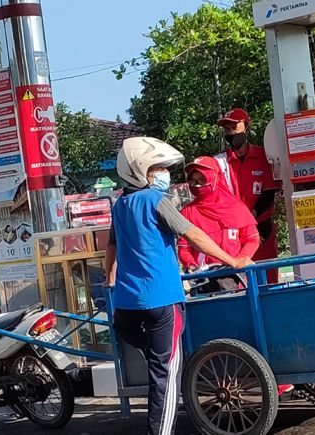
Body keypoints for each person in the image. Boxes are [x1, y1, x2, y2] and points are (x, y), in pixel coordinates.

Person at [104, 137, 253, 435]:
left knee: (142, 345)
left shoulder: (120, 205)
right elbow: (192, 234)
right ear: (141, 170)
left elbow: (111, 246)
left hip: (126, 305)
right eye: (157, 168)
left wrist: (110, 278)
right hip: (162, 301)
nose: (163, 173)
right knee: (166, 374)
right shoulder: (155, 201)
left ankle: (156, 355)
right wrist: (233, 260)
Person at [176, 156, 293, 397]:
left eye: (202, 179)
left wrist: (240, 260)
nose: (198, 185)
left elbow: (251, 238)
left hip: (237, 279)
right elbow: (184, 247)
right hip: (204, 282)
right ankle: (216, 378)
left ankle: (273, 377)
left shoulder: (235, 206)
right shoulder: (187, 212)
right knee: (212, 332)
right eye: (193, 180)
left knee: (251, 327)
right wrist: (190, 265)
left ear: (215, 178)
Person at [215, 108, 282, 283]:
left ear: (246, 126)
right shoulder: (220, 163)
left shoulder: (262, 155)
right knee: (238, 282)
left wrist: (251, 218)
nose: (230, 132)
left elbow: (269, 192)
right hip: (233, 232)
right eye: (227, 129)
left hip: (262, 228)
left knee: (267, 280)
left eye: (234, 127)